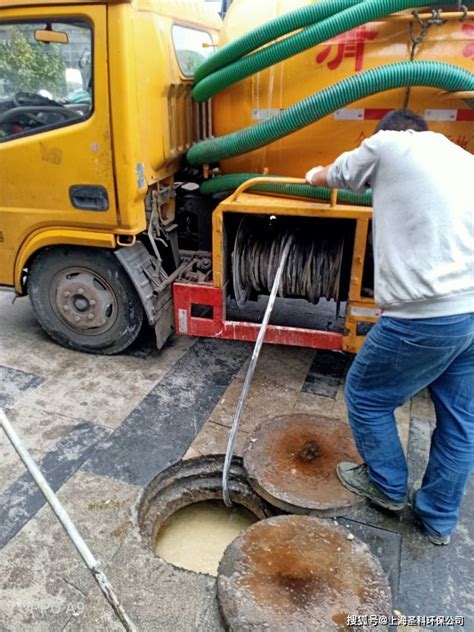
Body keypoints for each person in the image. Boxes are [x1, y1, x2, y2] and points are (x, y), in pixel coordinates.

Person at [305, 108, 474, 545]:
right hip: (471, 312)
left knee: (366, 395)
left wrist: (311, 176)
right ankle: (437, 520)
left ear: (390, 136)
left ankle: (388, 486)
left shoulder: (389, 145)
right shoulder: (462, 160)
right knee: (460, 423)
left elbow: (336, 174)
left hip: (424, 314)